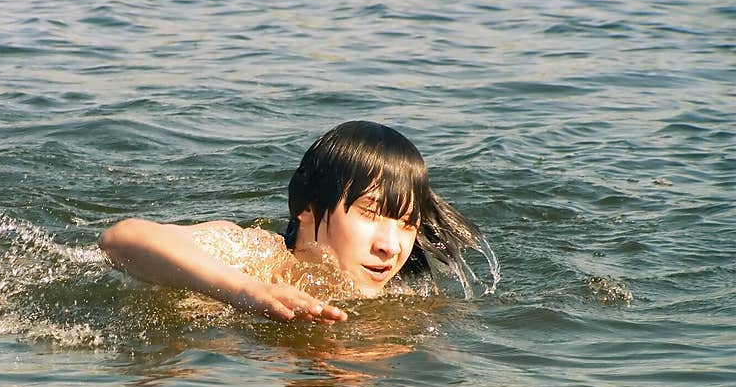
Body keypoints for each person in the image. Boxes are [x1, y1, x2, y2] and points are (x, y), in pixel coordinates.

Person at [99, 120, 493, 324]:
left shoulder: (405, 301)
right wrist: (248, 292)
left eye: (407, 223)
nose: (390, 247)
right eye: (370, 213)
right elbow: (121, 238)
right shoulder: (255, 256)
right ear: (306, 207)